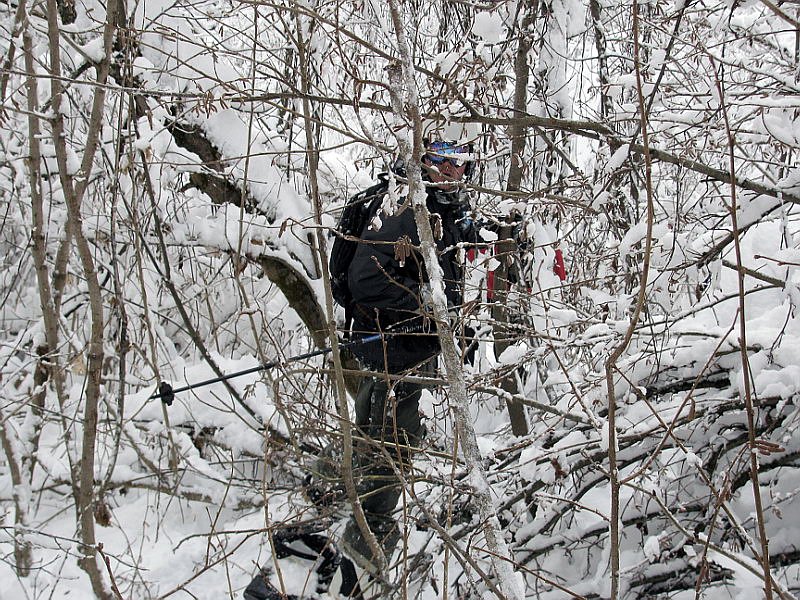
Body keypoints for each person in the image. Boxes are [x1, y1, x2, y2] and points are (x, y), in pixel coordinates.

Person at [337, 138, 479, 579]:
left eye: (461, 164)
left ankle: (325, 486)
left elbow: (448, 257)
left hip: (405, 348)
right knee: (393, 440)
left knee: (373, 425)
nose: (453, 172)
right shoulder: (404, 206)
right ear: (422, 161)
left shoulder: (437, 207)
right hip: (390, 348)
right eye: (443, 162)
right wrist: (424, 303)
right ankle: (365, 550)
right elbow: (366, 280)